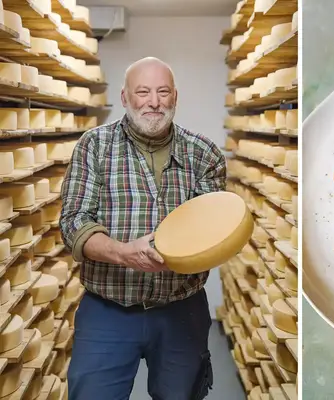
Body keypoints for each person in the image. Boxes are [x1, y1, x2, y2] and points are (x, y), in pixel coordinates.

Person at [60, 57, 226, 400]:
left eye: (163, 92)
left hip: (181, 307)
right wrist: (122, 253)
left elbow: (213, 228)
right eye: (143, 92)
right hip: (109, 310)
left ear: (175, 97)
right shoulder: (95, 146)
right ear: (124, 98)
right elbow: (74, 221)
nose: (154, 102)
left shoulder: (204, 153)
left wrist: (198, 250)